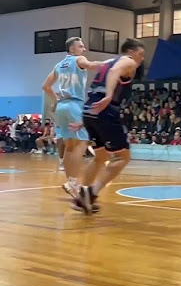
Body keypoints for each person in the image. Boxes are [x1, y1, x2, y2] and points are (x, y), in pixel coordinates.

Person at [75, 38, 145, 214]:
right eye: (140, 53)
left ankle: (82, 192)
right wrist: (108, 95)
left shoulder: (106, 62)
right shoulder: (127, 62)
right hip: (105, 110)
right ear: (130, 51)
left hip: (90, 110)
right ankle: (91, 193)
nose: (142, 58)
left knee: (100, 156)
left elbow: (93, 68)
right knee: (123, 157)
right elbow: (114, 71)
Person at [42, 36, 106, 197]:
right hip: (74, 105)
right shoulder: (79, 59)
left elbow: (46, 86)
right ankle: (73, 182)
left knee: (70, 146)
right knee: (81, 143)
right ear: (72, 49)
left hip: (62, 106)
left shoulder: (59, 65)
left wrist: (56, 100)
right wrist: (110, 64)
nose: (83, 49)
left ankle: (71, 182)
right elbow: (90, 65)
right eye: (81, 46)